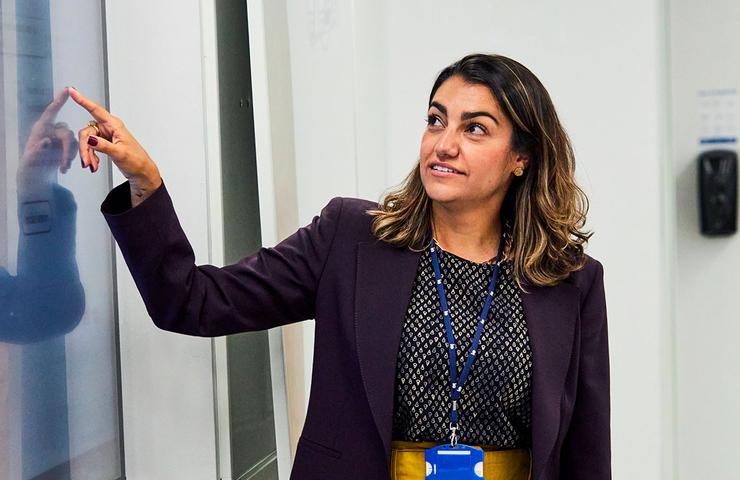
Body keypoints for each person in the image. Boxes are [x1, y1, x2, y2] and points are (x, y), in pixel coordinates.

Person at [69, 53, 610, 480]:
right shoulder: (350, 239)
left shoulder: (570, 281)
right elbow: (190, 300)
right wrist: (145, 183)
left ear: (522, 157)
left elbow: (586, 451)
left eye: (475, 129)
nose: (442, 145)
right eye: (435, 120)